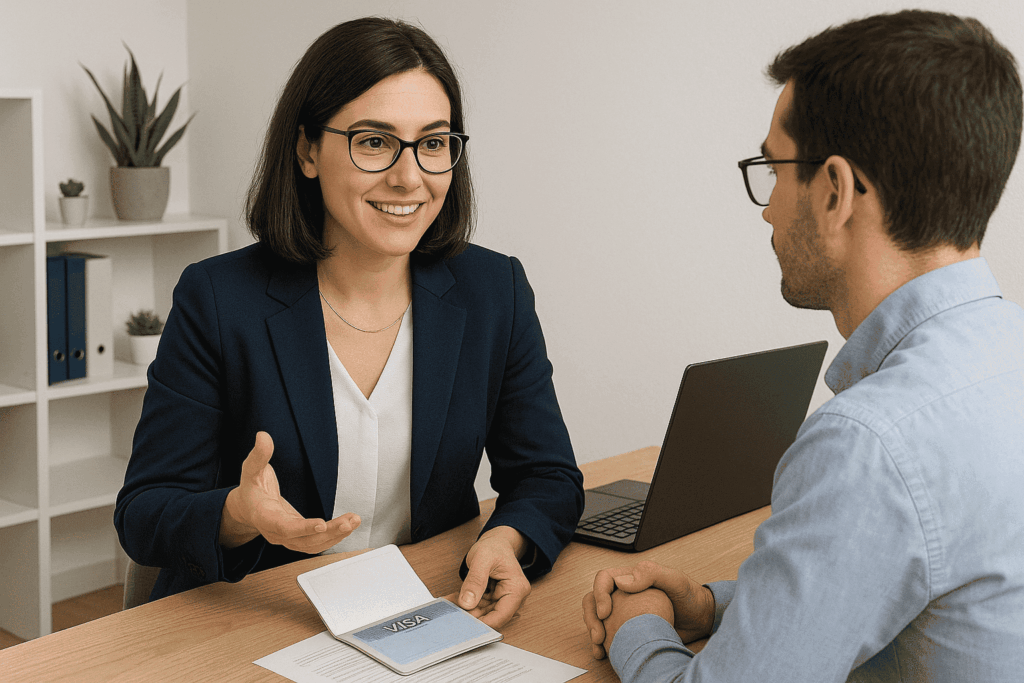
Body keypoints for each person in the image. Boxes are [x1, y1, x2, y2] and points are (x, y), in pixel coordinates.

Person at [583, 9, 1024, 681]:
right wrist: (713, 605)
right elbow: (917, 581)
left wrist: (634, 624)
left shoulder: (868, 447)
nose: (767, 207)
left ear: (835, 192)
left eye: (775, 168)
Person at [114, 17, 584, 629]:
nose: (409, 177)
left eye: (433, 144)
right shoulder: (218, 298)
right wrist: (237, 513)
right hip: (259, 619)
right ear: (308, 150)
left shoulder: (495, 291)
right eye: (374, 142)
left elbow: (547, 475)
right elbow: (145, 512)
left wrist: (506, 538)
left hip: (426, 607)